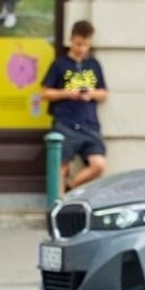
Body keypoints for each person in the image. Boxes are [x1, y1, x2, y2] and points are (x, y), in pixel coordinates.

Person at [42, 21, 109, 191]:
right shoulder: (59, 64)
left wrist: (91, 94)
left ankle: (70, 187)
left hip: (89, 124)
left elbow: (104, 93)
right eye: (78, 44)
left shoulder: (94, 64)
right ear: (71, 40)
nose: (81, 49)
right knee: (61, 167)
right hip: (65, 122)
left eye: (86, 45)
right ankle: (57, 202)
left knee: (98, 164)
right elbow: (45, 93)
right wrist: (67, 93)